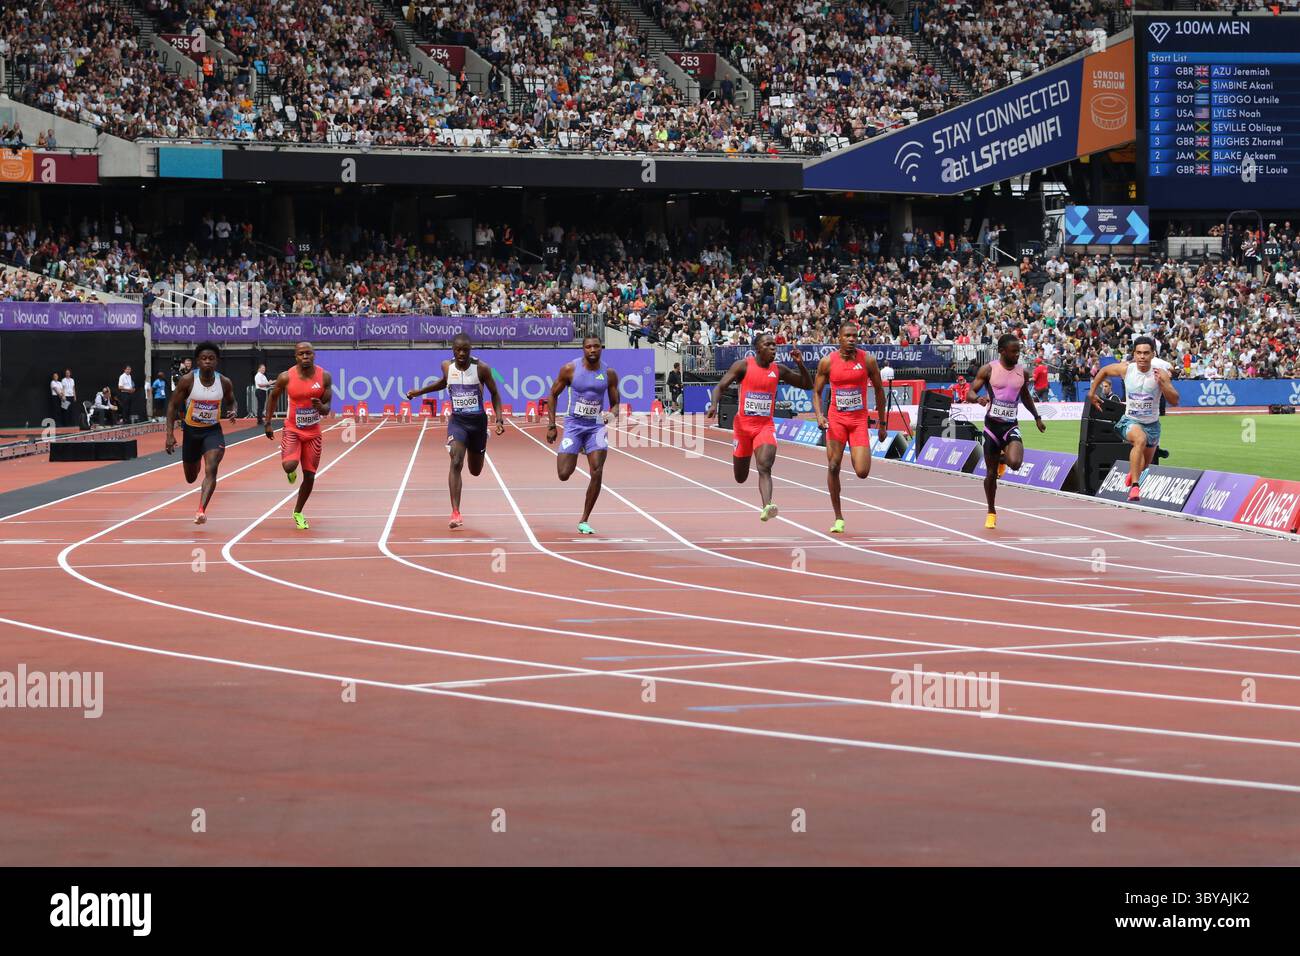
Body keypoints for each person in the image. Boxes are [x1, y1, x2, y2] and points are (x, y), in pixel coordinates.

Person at [706, 333, 812, 521]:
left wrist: (800, 364)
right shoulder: (743, 366)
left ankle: (767, 506)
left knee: (764, 466)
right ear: (758, 349)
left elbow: (806, 384)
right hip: (742, 428)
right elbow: (720, 387)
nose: (773, 348)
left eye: (774, 345)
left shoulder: (779, 369)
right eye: (768, 345)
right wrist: (714, 404)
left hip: (765, 427)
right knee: (740, 476)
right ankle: (762, 497)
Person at [406, 334, 505, 529]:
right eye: (458, 349)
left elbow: (495, 393)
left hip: (478, 423)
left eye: (465, 350)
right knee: (456, 460)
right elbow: (444, 382)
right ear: (453, 350)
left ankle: (483, 438)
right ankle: (455, 512)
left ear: (470, 350)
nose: (462, 353)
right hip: (458, 422)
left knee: (475, 471)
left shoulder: (482, 368)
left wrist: (499, 418)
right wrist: (420, 392)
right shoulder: (446, 366)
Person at [812, 321, 889, 534]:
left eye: (855, 336)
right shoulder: (827, 362)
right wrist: (819, 416)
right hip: (836, 420)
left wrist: (882, 424)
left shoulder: (868, 361)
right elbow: (816, 392)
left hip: (857, 422)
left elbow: (880, 392)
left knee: (862, 472)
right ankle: (838, 517)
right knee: (834, 465)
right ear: (839, 337)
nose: (852, 339)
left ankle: (855, 458)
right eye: (847, 336)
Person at [967, 334, 1047, 529]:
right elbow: (970, 392)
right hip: (992, 427)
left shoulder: (1023, 372)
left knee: (1015, 463)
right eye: (1014, 351)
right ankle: (991, 511)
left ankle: (1002, 458)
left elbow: (1026, 396)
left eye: (1019, 350)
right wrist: (978, 399)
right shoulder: (989, 370)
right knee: (991, 474)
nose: (1017, 354)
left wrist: (1037, 417)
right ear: (1002, 351)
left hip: (1011, 425)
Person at [1087, 336, 1180, 501]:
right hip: (1130, 421)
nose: (1142, 357)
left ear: (1153, 354)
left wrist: (1163, 385)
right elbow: (1104, 371)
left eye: (1146, 353)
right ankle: (1135, 487)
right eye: (1139, 353)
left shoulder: (1161, 374)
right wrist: (1092, 393)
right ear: (1134, 354)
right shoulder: (1126, 369)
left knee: (1144, 465)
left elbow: (1174, 400)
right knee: (1140, 440)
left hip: (1152, 425)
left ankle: (1133, 473)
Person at [546, 335, 620, 535]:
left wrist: (610, 417)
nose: (593, 350)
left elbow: (615, 405)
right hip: (574, 424)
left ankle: (584, 519)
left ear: (601, 348)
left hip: (595, 426)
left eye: (596, 346)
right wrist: (552, 425)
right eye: (589, 347)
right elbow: (552, 394)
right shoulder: (570, 369)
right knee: (563, 474)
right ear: (583, 349)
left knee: (597, 471)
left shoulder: (609, 373)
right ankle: (576, 446)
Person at [165, 342, 238, 525]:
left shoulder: (224, 382)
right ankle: (196, 457)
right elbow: (173, 406)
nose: (207, 362)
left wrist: (233, 410)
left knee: (211, 468)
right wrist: (169, 434)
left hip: (212, 431)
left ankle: (201, 510)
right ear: (198, 361)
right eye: (204, 358)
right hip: (191, 432)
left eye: (211, 359)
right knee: (191, 478)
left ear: (217, 362)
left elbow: (232, 401)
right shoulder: (188, 380)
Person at [264, 342, 333, 530]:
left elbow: (327, 408)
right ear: (295, 357)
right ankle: (291, 471)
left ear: (314, 355)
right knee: (289, 466)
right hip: (293, 429)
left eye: (308, 353)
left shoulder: (324, 376)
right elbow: (273, 397)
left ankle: (298, 512)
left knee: (310, 476)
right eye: (301, 354)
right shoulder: (286, 377)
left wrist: (321, 407)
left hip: (313, 433)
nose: (305, 357)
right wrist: (268, 422)